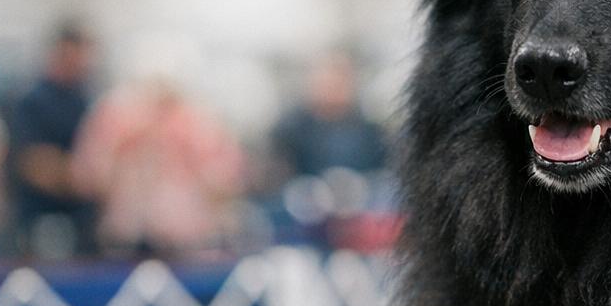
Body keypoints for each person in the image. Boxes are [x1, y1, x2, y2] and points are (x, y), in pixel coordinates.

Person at [71, 60, 244, 256]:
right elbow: (87, 178)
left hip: (191, 242)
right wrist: (124, 150)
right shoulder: (113, 116)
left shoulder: (202, 120)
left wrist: (189, 156)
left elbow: (226, 182)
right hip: (125, 239)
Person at [5, 20, 97, 256]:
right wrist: (84, 177)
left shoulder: (86, 102)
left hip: (83, 228)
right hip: (40, 224)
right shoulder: (30, 102)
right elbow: (33, 164)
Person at [270, 51, 388, 179]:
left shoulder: (370, 133)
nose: (333, 86)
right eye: (327, 79)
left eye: (341, 79)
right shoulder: (291, 130)